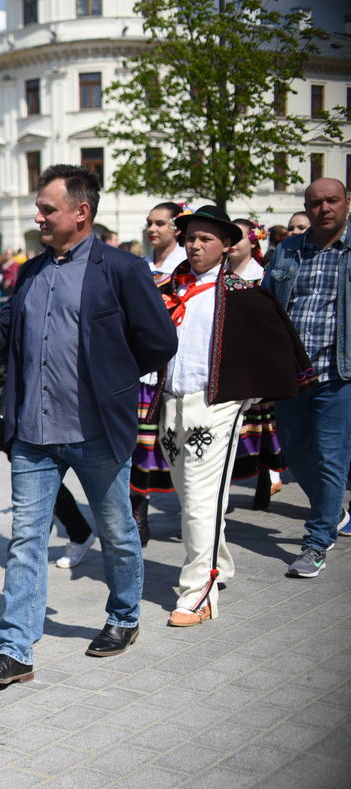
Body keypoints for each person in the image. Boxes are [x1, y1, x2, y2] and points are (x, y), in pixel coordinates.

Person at [0, 164, 178, 684]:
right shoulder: (31, 272)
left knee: (116, 530)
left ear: (81, 212)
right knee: (26, 540)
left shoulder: (122, 269)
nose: (38, 217)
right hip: (33, 436)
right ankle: (15, 649)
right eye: (38, 208)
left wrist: (112, 379)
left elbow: (160, 342)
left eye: (48, 209)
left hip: (97, 432)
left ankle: (124, 616)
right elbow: (3, 338)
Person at [154, 206, 311, 625]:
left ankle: (198, 594)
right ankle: (219, 563)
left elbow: (274, 344)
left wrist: (244, 395)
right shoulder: (169, 289)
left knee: (200, 503)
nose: (195, 245)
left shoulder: (242, 294)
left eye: (205, 238)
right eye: (190, 237)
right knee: (191, 497)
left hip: (215, 407)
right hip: (171, 403)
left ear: (226, 245)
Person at [264, 178, 351, 579]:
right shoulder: (288, 250)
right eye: (315, 203)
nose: (324, 209)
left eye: (332, 201)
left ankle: (316, 541)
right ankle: (332, 511)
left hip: (340, 374)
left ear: (346, 203)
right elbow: (268, 308)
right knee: (296, 454)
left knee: (332, 458)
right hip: (293, 375)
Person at [130, 202, 190, 544]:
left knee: (177, 442)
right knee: (140, 444)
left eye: (160, 223)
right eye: (149, 223)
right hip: (143, 371)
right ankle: (138, 511)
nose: (152, 229)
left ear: (176, 228)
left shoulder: (186, 266)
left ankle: (191, 511)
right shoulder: (140, 266)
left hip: (176, 367)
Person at [226, 218, 286, 508]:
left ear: (253, 240)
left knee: (260, 426)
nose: (232, 243)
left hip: (255, 362)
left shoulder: (263, 277)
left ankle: (265, 476)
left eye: (239, 236)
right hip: (226, 361)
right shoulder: (217, 275)